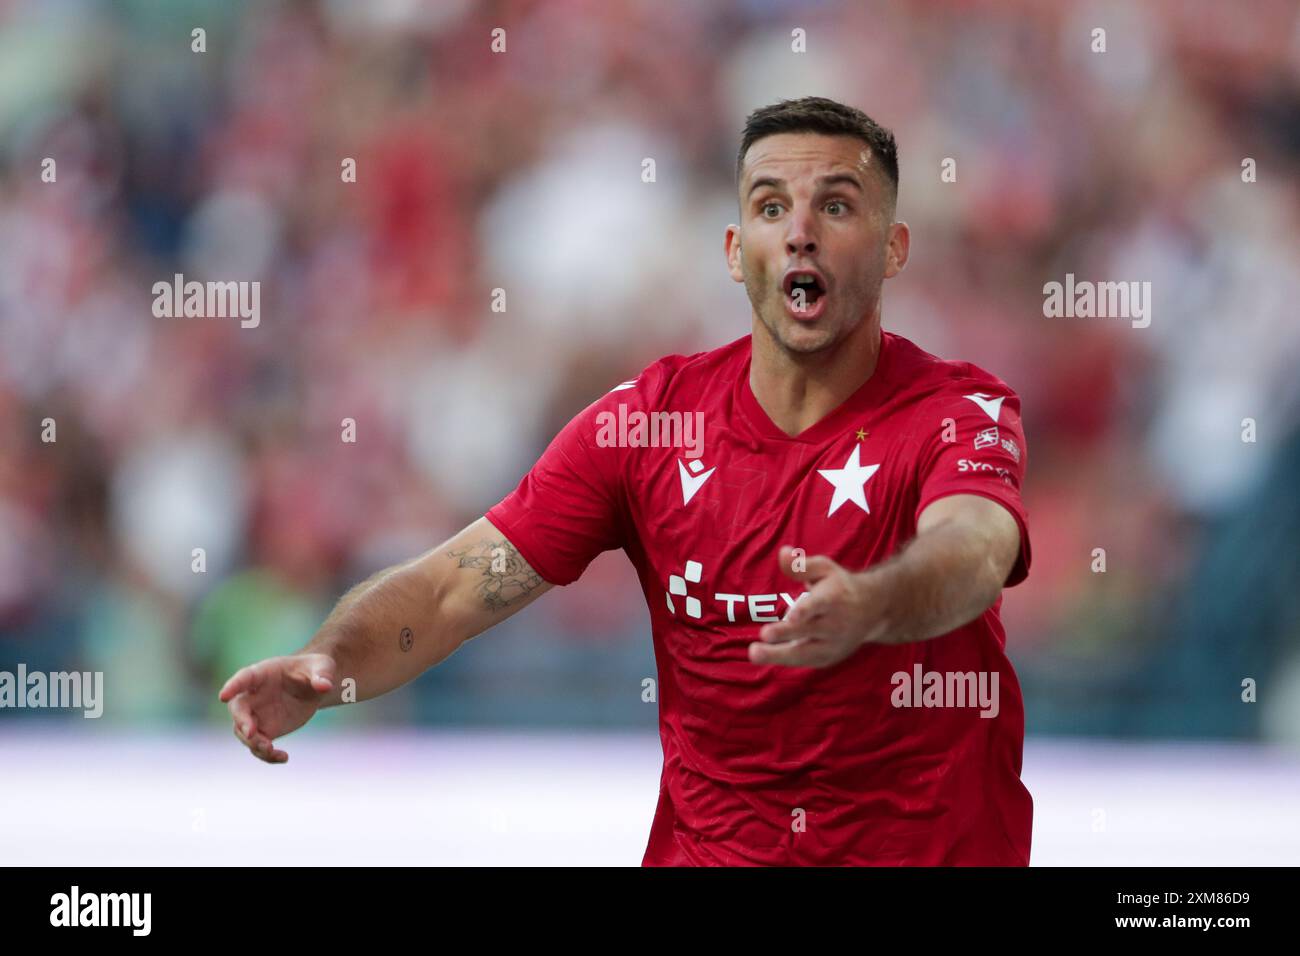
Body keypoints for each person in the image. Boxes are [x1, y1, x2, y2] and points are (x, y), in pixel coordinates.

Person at [220, 96, 1034, 866]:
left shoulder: (957, 412)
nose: (800, 234)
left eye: (838, 205)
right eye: (771, 206)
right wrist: (328, 661)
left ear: (894, 247)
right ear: (733, 248)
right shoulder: (645, 427)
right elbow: (449, 591)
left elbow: (974, 547)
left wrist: (876, 604)